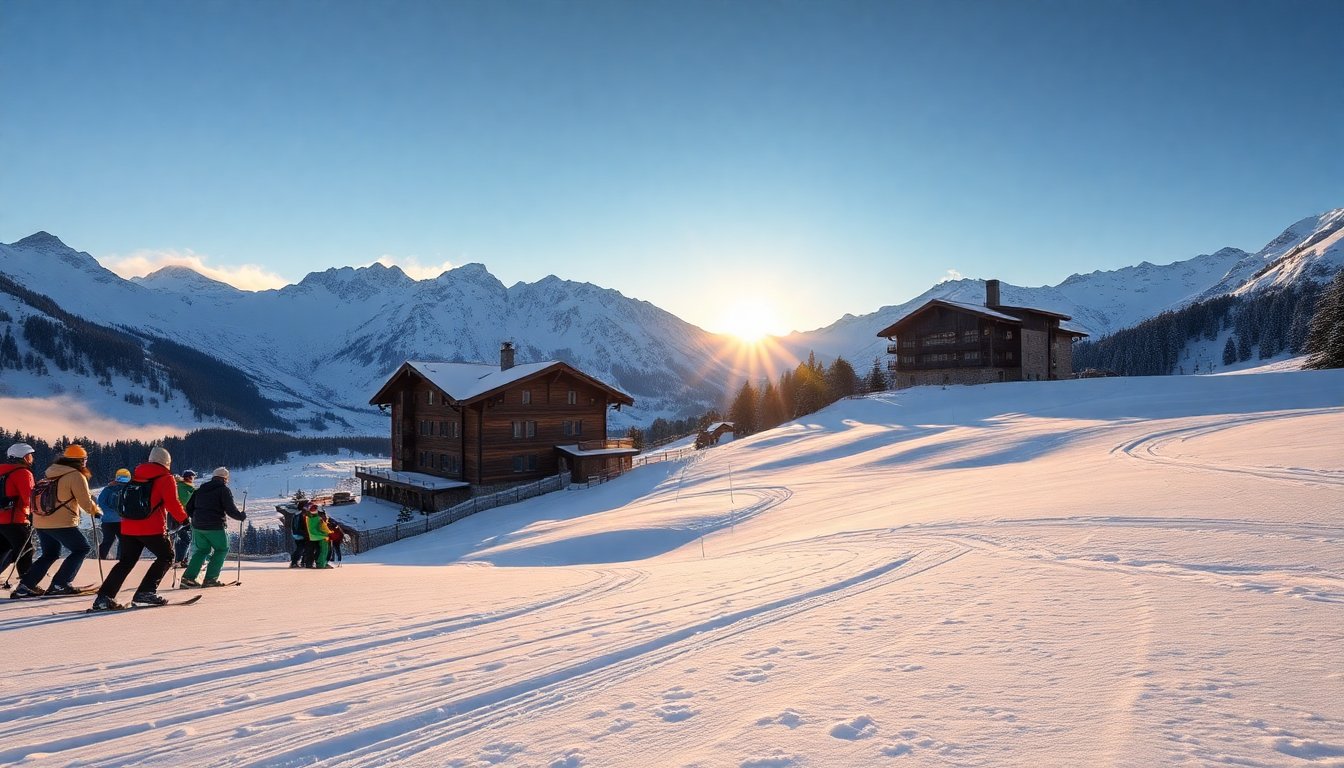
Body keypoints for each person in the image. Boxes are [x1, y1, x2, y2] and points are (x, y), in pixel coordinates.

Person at [91, 446, 187, 610]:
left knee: (126, 561)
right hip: (151, 527)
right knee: (166, 556)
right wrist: (184, 520)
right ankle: (146, 592)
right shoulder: (165, 478)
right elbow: (172, 503)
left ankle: (104, 597)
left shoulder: (136, 476)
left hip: (128, 527)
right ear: (167, 462)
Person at [13, 444, 100, 598]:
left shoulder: (51, 473)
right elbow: (85, 502)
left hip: (41, 521)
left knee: (49, 554)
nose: (86, 462)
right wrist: (96, 511)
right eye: (84, 459)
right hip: (61, 522)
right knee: (82, 548)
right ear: (80, 461)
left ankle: (24, 586)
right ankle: (60, 584)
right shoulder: (76, 475)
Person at [179, 467, 245, 588]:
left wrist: (197, 518)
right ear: (225, 479)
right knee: (221, 549)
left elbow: (188, 507)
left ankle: (188, 578)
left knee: (202, 551)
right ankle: (210, 579)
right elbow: (230, 509)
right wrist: (240, 516)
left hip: (197, 526)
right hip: (215, 526)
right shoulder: (223, 490)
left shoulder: (200, 490)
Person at [0, 443, 38, 588]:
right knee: (26, 549)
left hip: (2, 519)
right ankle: (27, 585)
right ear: (24, 456)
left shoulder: (2, 471)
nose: (32, 458)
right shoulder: (23, 473)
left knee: (4, 548)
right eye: (30, 455)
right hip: (16, 518)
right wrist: (35, 514)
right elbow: (29, 497)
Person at [95, 468, 131, 560]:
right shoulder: (129, 489)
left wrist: (108, 514)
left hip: (107, 521)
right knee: (124, 540)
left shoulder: (108, 489)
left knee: (108, 540)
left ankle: (100, 558)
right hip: (123, 520)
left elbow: (101, 503)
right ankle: (121, 559)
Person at [172, 470, 196, 567]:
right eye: (193, 477)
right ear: (190, 477)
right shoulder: (186, 488)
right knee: (185, 538)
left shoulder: (179, 486)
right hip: (182, 517)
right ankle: (180, 560)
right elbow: (186, 502)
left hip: (176, 517)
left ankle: (181, 559)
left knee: (181, 538)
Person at [304, 503, 331, 569]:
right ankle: (321, 564)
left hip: (311, 536)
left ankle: (313, 563)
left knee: (313, 550)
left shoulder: (307, 518)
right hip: (320, 536)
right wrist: (329, 532)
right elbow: (323, 527)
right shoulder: (318, 518)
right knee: (323, 550)